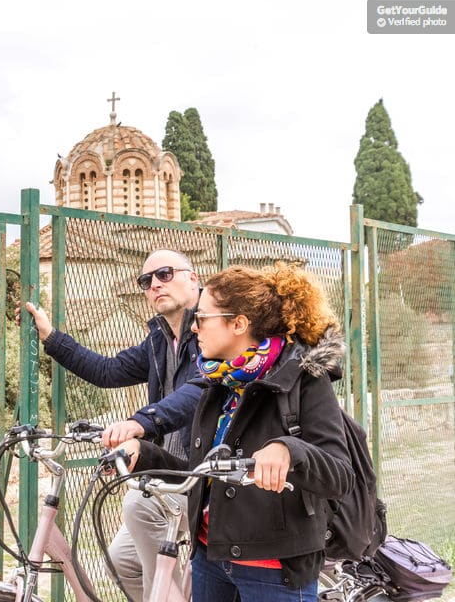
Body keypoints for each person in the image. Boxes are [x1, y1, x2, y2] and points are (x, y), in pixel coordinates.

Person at [117, 263, 355, 602]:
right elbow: (204, 473)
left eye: (203, 318)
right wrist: (144, 452)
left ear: (238, 324)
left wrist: (289, 450)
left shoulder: (302, 379)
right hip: (211, 558)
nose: (194, 328)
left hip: (275, 569)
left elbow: (340, 475)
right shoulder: (217, 383)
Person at [23, 249, 203, 601]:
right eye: (146, 281)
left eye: (164, 274)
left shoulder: (214, 331)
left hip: (206, 473)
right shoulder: (159, 340)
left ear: (193, 277)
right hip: (168, 471)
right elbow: (107, 371)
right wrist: (50, 336)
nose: (154, 285)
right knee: (121, 561)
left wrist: (139, 424)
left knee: (139, 507)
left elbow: (199, 391)